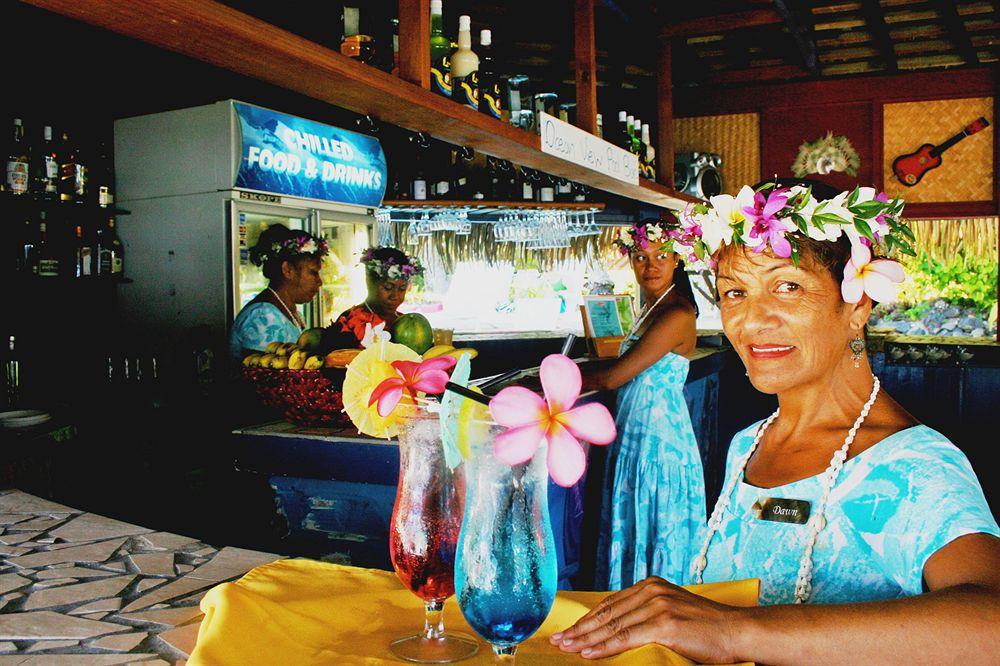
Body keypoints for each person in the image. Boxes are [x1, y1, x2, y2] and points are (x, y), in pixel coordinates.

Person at [552, 181, 1000, 662]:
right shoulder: (749, 443)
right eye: (734, 292)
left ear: (857, 306)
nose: (753, 320)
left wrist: (732, 632)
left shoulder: (909, 466)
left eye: (788, 287)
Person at [580, 215, 703, 590]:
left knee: (654, 536)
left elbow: (617, 376)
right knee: (635, 529)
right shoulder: (652, 305)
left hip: (659, 443)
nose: (650, 266)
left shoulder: (677, 312)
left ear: (677, 259)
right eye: (640, 257)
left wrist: (549, 380)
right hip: (636, 433)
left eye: (660, 256)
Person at [229, 224, 326, 364]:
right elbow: (268, 376)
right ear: (287, 270)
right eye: (313, 272)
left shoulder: (290, 311)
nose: (319, 281)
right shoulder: (262, 317)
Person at [323, 246, 424, 349]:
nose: (395, 296)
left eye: (402, 288)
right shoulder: (348, 322)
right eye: (388, 287)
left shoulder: (408, 323)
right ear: (369, 282)